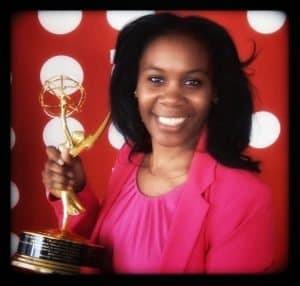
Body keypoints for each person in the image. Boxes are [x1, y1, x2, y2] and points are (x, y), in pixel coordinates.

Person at [42, 12, 275, 274]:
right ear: (135, 87)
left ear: (215, 92)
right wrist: (75, 191)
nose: (171, 98)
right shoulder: (130, 157)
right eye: (156, 79)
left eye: (192, 82)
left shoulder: (245, 197)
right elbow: (100, 252)